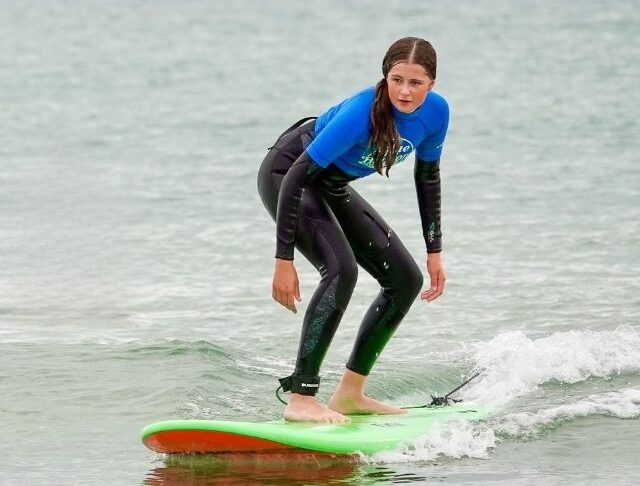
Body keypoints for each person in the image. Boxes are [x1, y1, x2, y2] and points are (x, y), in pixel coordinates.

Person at [257, 37, 448, 423]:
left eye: (416, 82)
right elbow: (296, 177)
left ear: (432, 83)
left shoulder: (437, 114)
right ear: (385, 77)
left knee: (404, 280)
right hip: (288, 175)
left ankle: (350, 394)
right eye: (397, 80)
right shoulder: (362, 111)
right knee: (341, 270)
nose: (405, 91)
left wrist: (435, 251)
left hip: (327, 185)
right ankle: (301, 398)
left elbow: (427, 177)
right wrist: (283, 259)